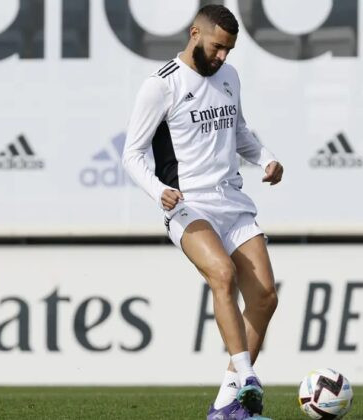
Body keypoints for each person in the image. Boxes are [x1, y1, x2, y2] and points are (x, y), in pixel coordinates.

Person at [122, 5, 283, 419]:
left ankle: (227, 404)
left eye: (229, 50)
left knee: (265, 297)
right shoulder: (160, 86)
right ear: (195, 33)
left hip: (232, 200)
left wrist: (265, 158)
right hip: (188, 204)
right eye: (217, 47)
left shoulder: (229, 77)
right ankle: (246, 379)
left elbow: (239, 130)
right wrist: (159, 191)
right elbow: (132, 154)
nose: (222, 57)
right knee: (222, 275)